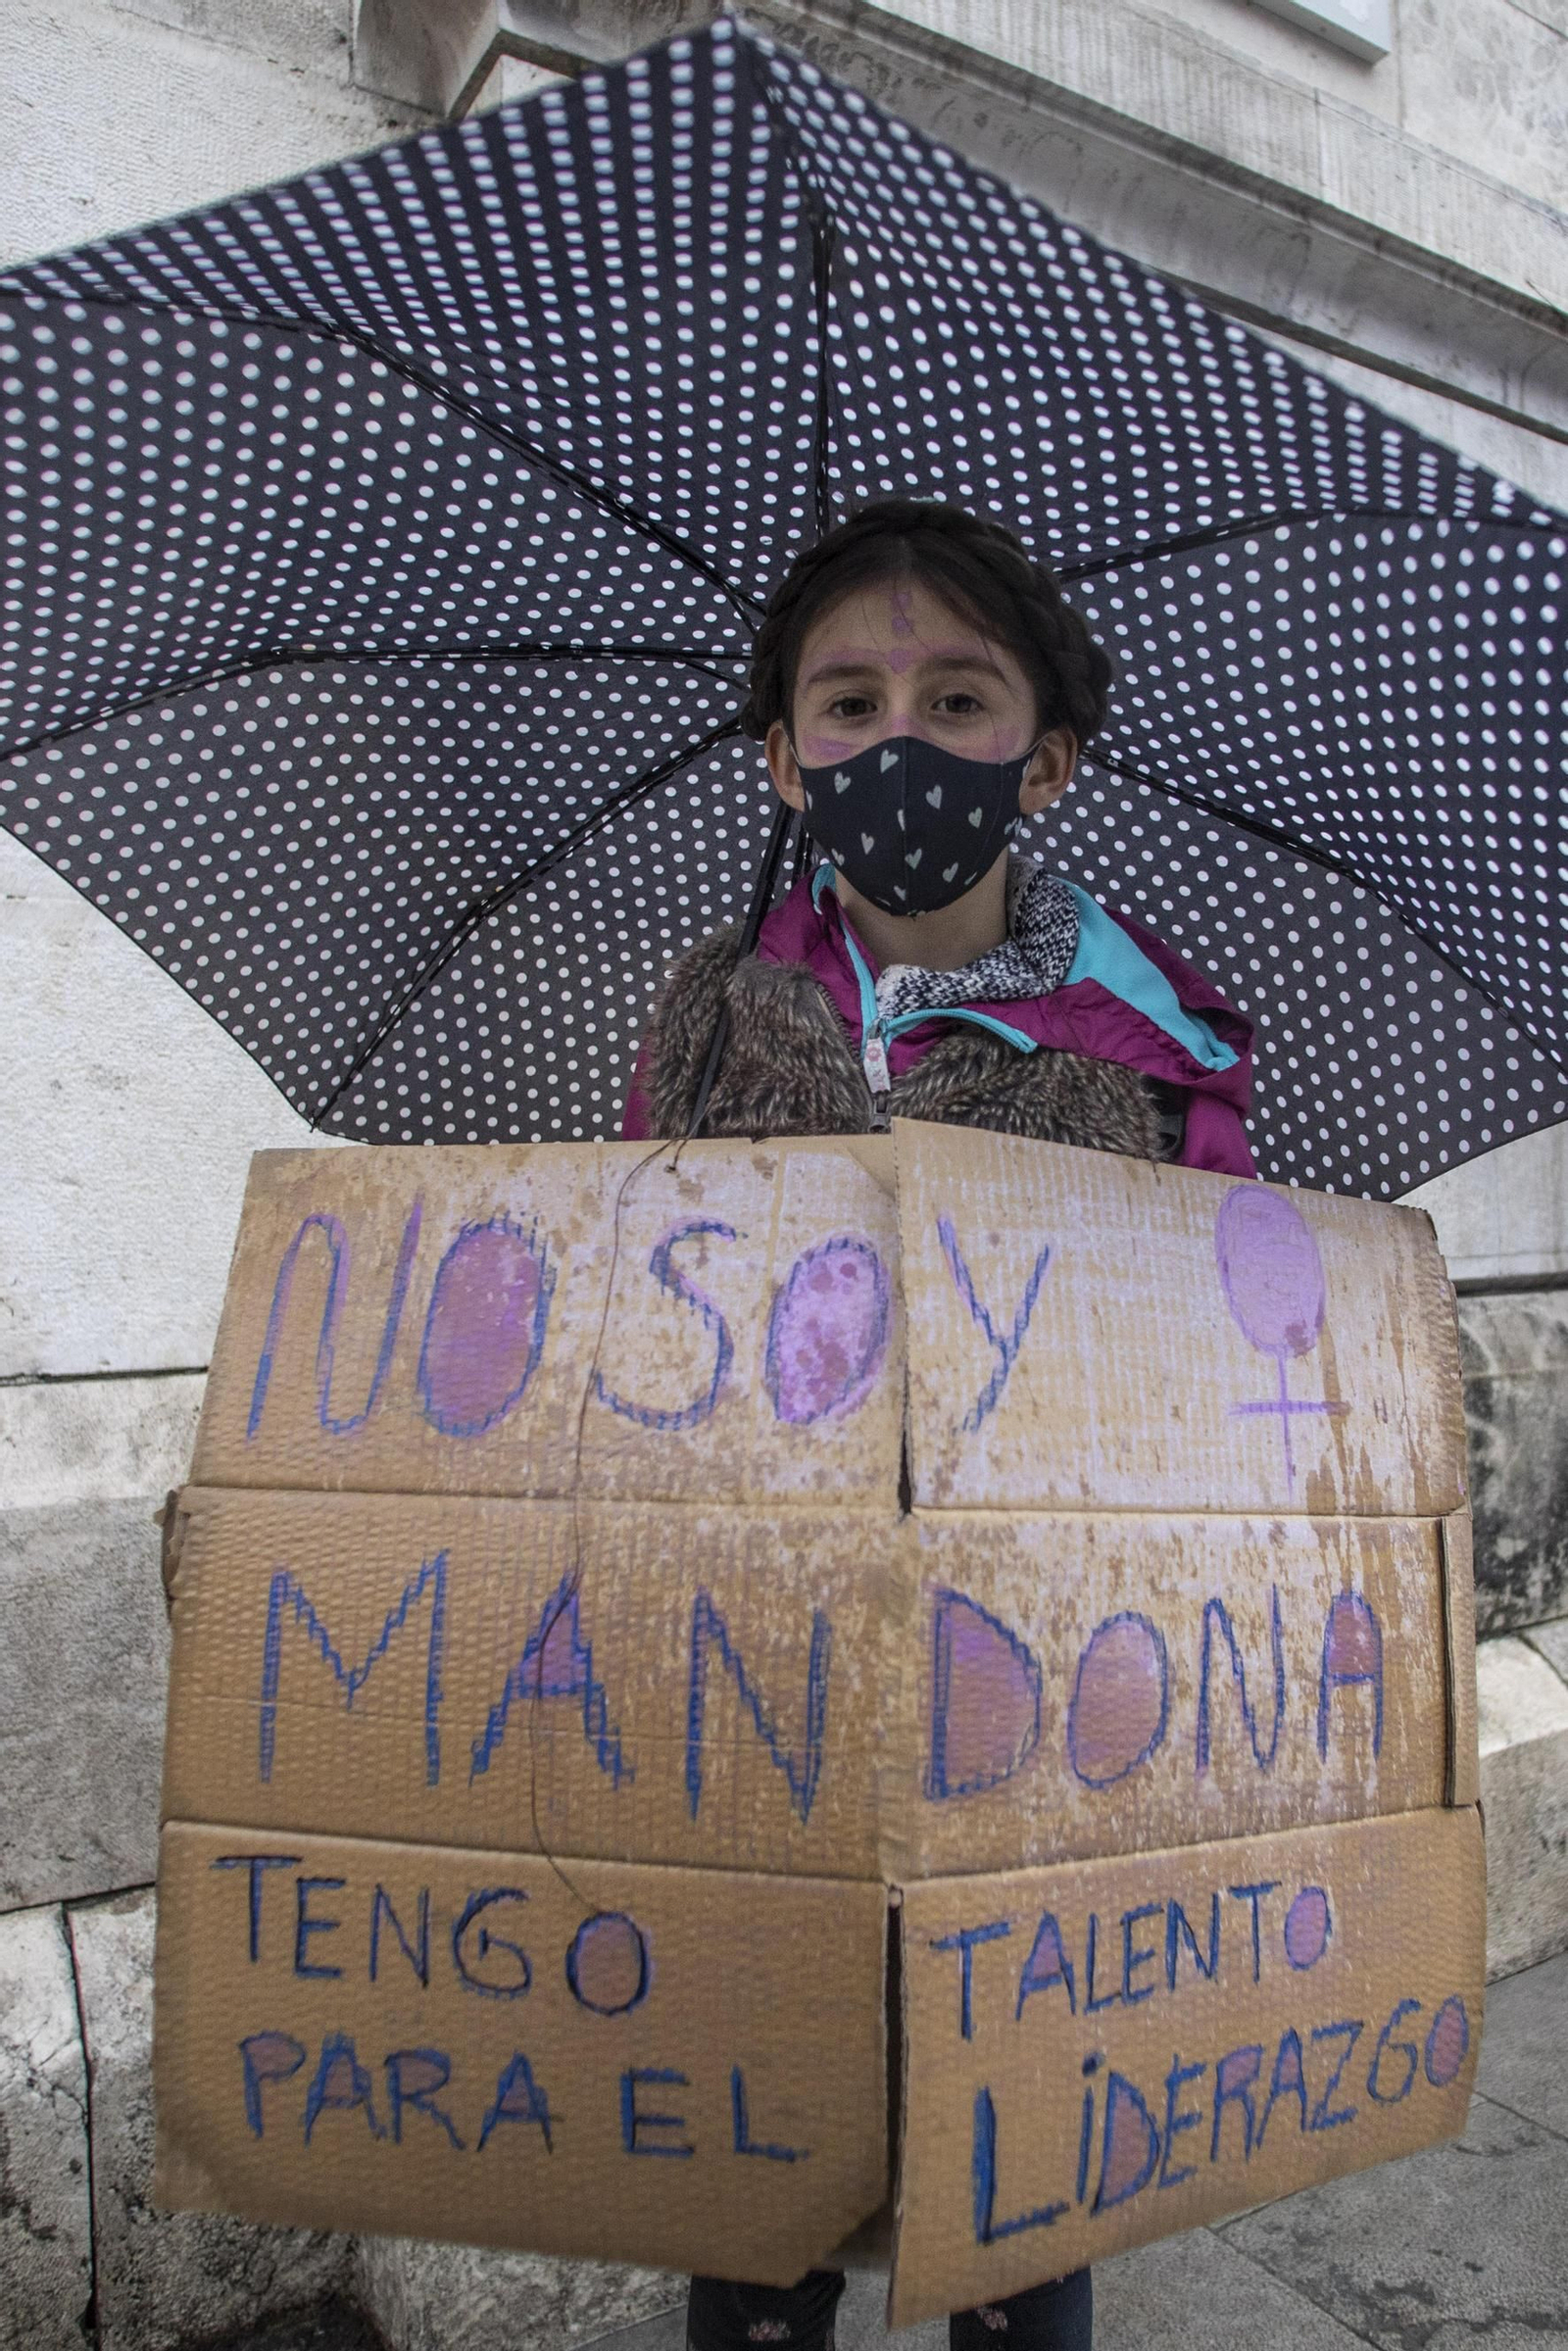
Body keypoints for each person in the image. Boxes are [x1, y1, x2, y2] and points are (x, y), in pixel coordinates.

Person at [619, 498, 1257, 2351]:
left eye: (959, 698)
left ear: (1045, 760)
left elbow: (1224, 1400)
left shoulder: (1158, 1062)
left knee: (1020, 2173)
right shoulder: (710, 1021)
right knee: (758, 2174)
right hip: (763, 1692)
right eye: (848, 699)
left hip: (1048, 1710)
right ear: (784, 755)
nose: (898, 739)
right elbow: (630, 1321)